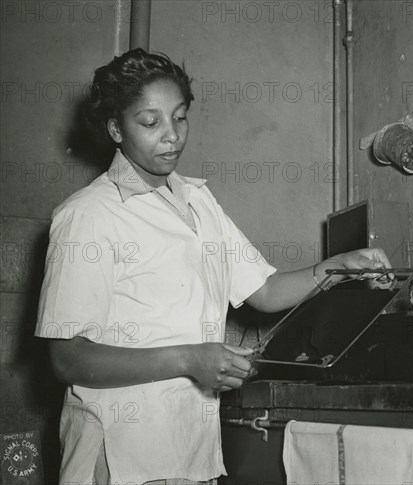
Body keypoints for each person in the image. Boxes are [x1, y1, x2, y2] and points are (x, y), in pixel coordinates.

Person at [35, 48, 393, 485]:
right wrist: (190, 358)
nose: (171, 136)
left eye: (180, 117)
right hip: (121, 456)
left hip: (190, 453)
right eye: (150, 122)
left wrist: (338, 268)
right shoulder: (89, 214)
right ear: (115, 128)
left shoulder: (197, 202)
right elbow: (67, 357)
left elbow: (266, 291)